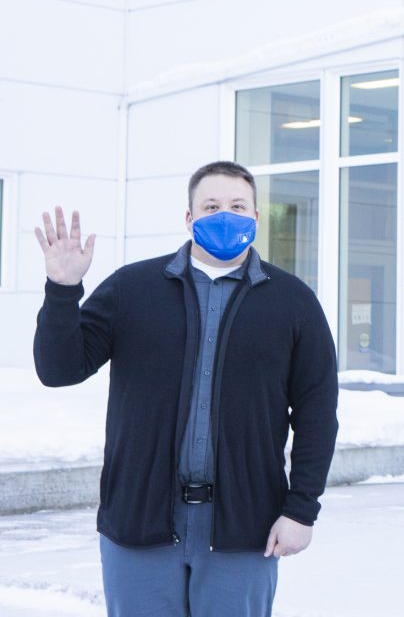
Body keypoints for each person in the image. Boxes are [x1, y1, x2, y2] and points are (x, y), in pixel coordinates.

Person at [33, 160, 339, 617]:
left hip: (244, 528)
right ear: (189, 217)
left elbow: (317, 414)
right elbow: (59, 369)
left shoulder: (293, 302)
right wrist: (63, 289)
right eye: (211, 205)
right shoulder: (132, 289)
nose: (224, 215)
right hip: (140, 521)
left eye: (237, 206)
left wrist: (301, 510)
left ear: (256, 217)